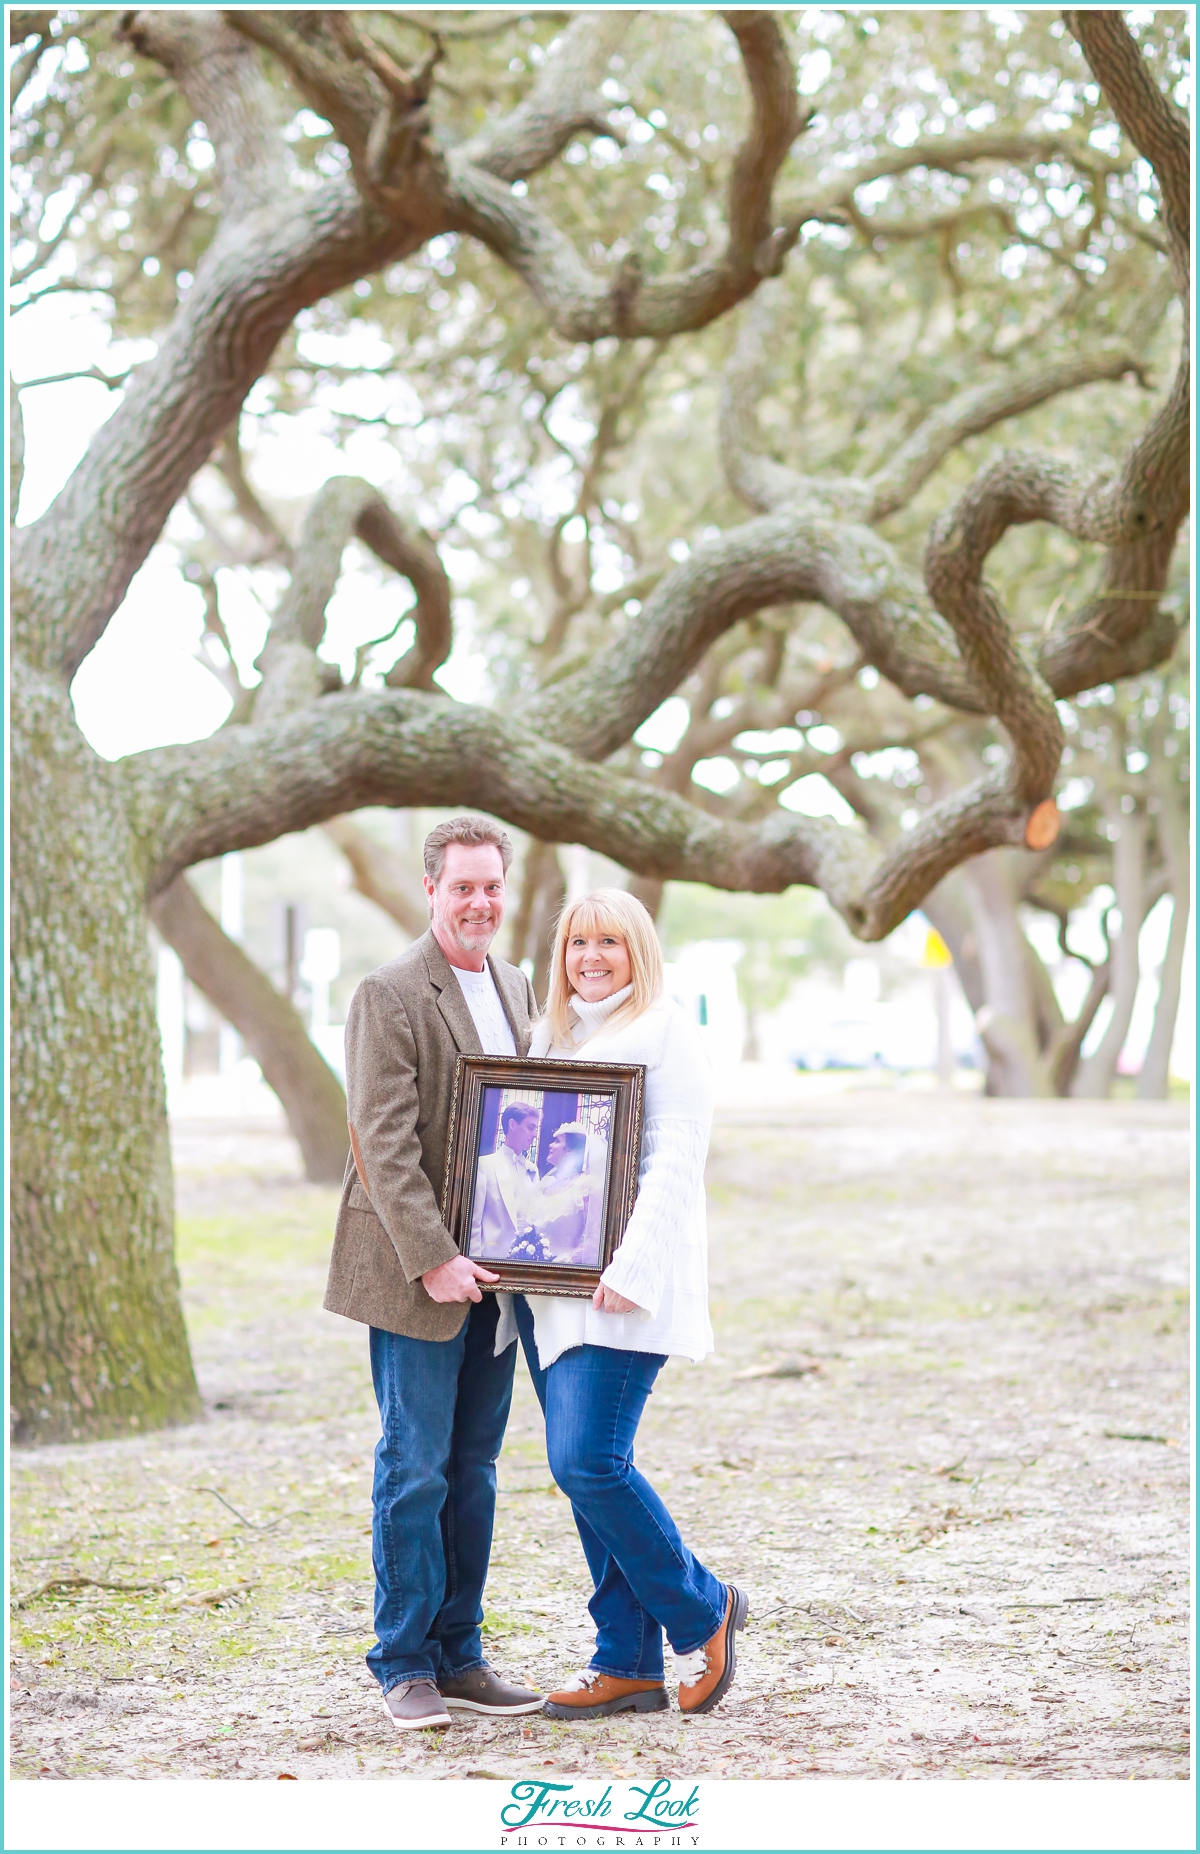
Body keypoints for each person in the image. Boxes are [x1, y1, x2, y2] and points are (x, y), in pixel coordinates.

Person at [502, 888, 748, 1720]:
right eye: (578, 943)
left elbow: (677, 1158)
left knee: (586, 1462)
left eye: (611, 941)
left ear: (639, 950)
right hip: (551, 1294)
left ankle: (704, 1609)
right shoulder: (552, 1034)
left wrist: (634, 1268)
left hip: (622, 1291)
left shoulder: (666, 1030)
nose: (592, 957)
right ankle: (627, 1663)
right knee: (586, 1479)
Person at [324, 816, 544, 1733]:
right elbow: (379, 1142)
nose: (481, 902)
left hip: (500, 1275)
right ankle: (403, 1663)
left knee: (475, 1469)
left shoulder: (518, 984)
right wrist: (437, 1257)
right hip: (418, 1274)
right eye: (464, 887)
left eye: (492, 886)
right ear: (432, 890)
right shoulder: (390, 992)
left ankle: (461, 1656)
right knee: (413, 1469)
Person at [469, 1101, 539, 1261]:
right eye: (530, 1127)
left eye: (535, 1129)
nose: (534, 1134)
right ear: (512, 1124)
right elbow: (475, 1223)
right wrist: (475, 1262)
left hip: (527, 1260)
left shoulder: (533, 1169)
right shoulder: (485, 1165)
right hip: (492, 1259)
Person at [526, 1122, 602, 1266]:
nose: (550, 1145)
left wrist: (563, 1261)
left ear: (571, 1151)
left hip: (564, 1269)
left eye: (557, 1141)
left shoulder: (585, 1186)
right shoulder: (545, 1184)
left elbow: (593, 1240)